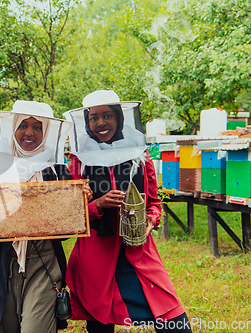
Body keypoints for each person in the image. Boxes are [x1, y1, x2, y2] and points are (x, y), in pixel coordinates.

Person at [63, 90, 192, 333]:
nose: (100, 123)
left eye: (107, 115)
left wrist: (150, 221)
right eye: (94, 118)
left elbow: (153, 204)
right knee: (100, 326)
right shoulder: (78, 161)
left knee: (177, 325)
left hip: (139, 254)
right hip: (95, 258)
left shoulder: (141, 158)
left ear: (120, 118)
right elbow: (68, 214)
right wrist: (97, 206)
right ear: (86, 123)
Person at [0, 101, 91, 333]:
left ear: (46, 132)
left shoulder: (55, 170)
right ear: (12, 128)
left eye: (37, 126)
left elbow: (64, 232)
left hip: (44, 262)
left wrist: (77, 204)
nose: (30, 132)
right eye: (23, 125)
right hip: (4, 263)